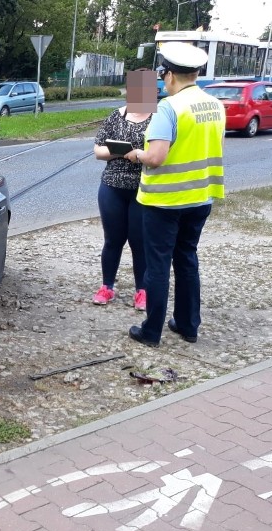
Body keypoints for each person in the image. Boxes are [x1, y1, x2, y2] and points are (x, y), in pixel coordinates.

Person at [123, 42, 226, 347]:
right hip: (201, 197)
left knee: (157, 265)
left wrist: (135, 155)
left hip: (165, 200)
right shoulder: (215, 105)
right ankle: (188, 325)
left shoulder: (170, 108)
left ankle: (151, 331)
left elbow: (156, 157)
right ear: (195, 73)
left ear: (168, 75)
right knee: (187, 260)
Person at [92, 69, 156, 310]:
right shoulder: (115, 116)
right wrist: (118, 152)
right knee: (113, 240)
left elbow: (161, 154)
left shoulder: (157, 118)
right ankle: (107, 286)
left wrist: (138, 156)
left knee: (139, 242)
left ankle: (143, 290)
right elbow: (98, 150)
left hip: (143, 188)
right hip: (112, 186)